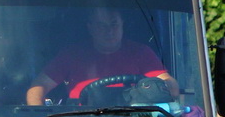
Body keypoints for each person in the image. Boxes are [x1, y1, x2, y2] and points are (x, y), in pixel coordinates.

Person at [25, 6, 178, 106]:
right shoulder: (71, 54)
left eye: (114, 24)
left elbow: (170, 86)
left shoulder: (141, 52)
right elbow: (38, 87)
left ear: (122, 25)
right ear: (90, 28)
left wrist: (151, 91)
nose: (109, 31)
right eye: (101, 26)